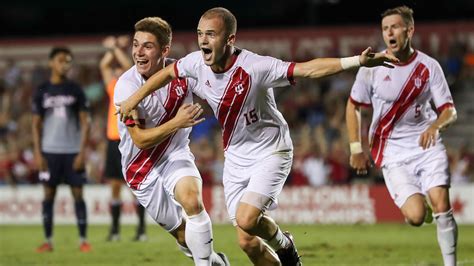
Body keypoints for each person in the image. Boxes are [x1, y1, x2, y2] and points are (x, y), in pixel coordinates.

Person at [116, 7, 398, 266]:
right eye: (200, 34)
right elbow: (166, 74)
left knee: (245, 218)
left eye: (211, 34)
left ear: (230, 38)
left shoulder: (256, 67)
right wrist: (133, 100)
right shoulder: (193, 64)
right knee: (246, 241)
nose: (203, 41)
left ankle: (284, 245)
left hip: (270, 150)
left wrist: (357, 61)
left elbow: (307, 69)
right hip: (234, 157)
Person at [345, 6, 458, 266]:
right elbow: (353, 106)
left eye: (395, 27)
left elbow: (449, 110)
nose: (389, 33)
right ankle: (421, 208)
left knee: (443, 204)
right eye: (385, 29)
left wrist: (435, 127)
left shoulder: (429, 66)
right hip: (392, 152)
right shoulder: (372, 67)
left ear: (409, 30)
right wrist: (355, 148)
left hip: (427, 145)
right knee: (416, 216)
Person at [114, 17, 229, 265]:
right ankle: (216, 261)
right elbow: (141, 141)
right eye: (135, 45)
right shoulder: (126, 86)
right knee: (182, 234)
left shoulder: (184, 71)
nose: (138, 52)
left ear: (164, 50)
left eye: (147, 46)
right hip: (140, 170)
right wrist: (177, 122)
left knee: (192, 200)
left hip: (175, 155)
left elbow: (217, 86)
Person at [32, 47, 92, 252]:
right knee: (48, 196)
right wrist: (38, 153)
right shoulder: (42, 90)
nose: (65, 64)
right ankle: (48, 241)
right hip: (49, 152)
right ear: (51, 63)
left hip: (72, 151)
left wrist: (82, 152)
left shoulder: (76, 90)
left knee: (78, 194)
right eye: (61, 60)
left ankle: (83, 240)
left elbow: (86, 123)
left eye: (68, 61)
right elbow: (36, 125)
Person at [99, 35, 147, 242]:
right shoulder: (112, 87)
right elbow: (104, 65)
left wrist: (115, 46)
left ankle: (141, 230)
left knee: (135, 187)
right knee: (115, 187)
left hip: (130, 138)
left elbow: (128, 66)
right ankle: (116, 230)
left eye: (120, 72)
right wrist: (112, 49)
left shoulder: (131, 85)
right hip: (113, 140)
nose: (117, 72)